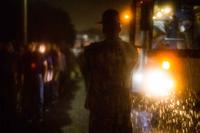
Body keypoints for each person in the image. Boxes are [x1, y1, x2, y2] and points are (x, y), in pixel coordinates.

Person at [82, 9, 137, 133]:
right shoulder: (131, 50)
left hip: (100, 107)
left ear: (103, 29)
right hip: (122, 105)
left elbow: (85, 66)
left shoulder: (93, 51)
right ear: (119, 28)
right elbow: (133, 67)